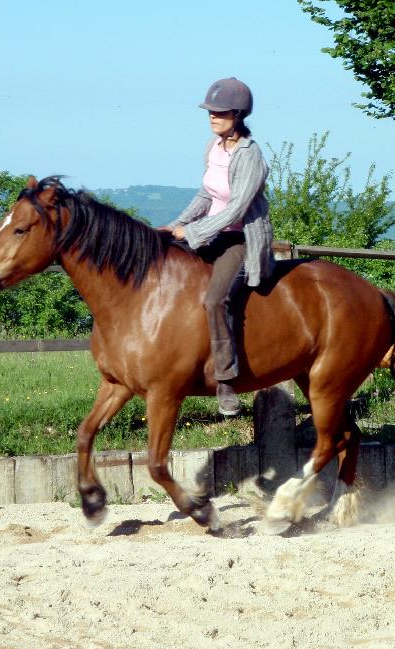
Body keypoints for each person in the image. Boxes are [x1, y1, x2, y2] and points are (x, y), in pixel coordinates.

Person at [160, 77, 275, 416]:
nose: (212, 117)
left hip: (239, 238)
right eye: (210, 112)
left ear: (238, 115)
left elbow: (237, 208)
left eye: (220, 112)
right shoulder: (214, 147)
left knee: (215, 299)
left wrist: (192, 234)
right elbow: (206, 194)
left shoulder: (250, 156)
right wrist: (177, 225)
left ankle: (226, 380)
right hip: (211, 232)